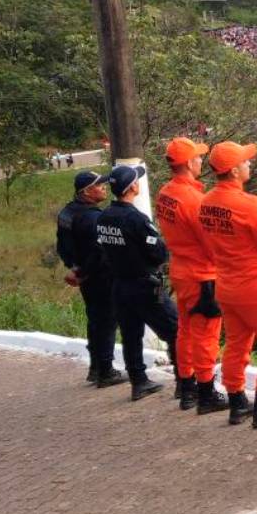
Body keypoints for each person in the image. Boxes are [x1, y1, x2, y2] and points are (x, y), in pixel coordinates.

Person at [198, 141, 257, 428]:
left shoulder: (206, 202)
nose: (249, 164)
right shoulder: (250, 206)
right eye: (246, 161)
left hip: (225, 284)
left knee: (237, 343)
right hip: (256, 285)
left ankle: (237, 401)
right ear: (235, 170)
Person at [155, 138, 228, 413]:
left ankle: (187, 388)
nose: (201, 161)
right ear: (187, 163)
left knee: (185, 331)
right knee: (207, 335)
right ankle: (207, 392)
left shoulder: (165, 193)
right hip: (202, 275)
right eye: (197, 157)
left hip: (181, 271)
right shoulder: (194, 200)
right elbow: (210, 244)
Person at [95, 165, 176, 401]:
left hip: (119, 285)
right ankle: (185, 383)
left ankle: (138, 382)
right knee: (176, 330)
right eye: (136, 180)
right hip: (145, 285)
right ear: (132, 187)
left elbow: (102, 247)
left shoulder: (103, 216)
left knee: (130, 335)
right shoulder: (136, 219)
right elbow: (158, 253)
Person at [56, 170, 125, 387]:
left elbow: (62, 246)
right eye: (99, 185)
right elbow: (100, 252)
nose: (104, 187)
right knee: (106, 321)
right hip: (99, 276)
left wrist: (75, 270)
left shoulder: (66, 213)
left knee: (95, 319)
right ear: (86, 191)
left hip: (84, 277)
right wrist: (83, 272)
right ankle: (106, 370)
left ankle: (95, 367)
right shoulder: (94, 218)